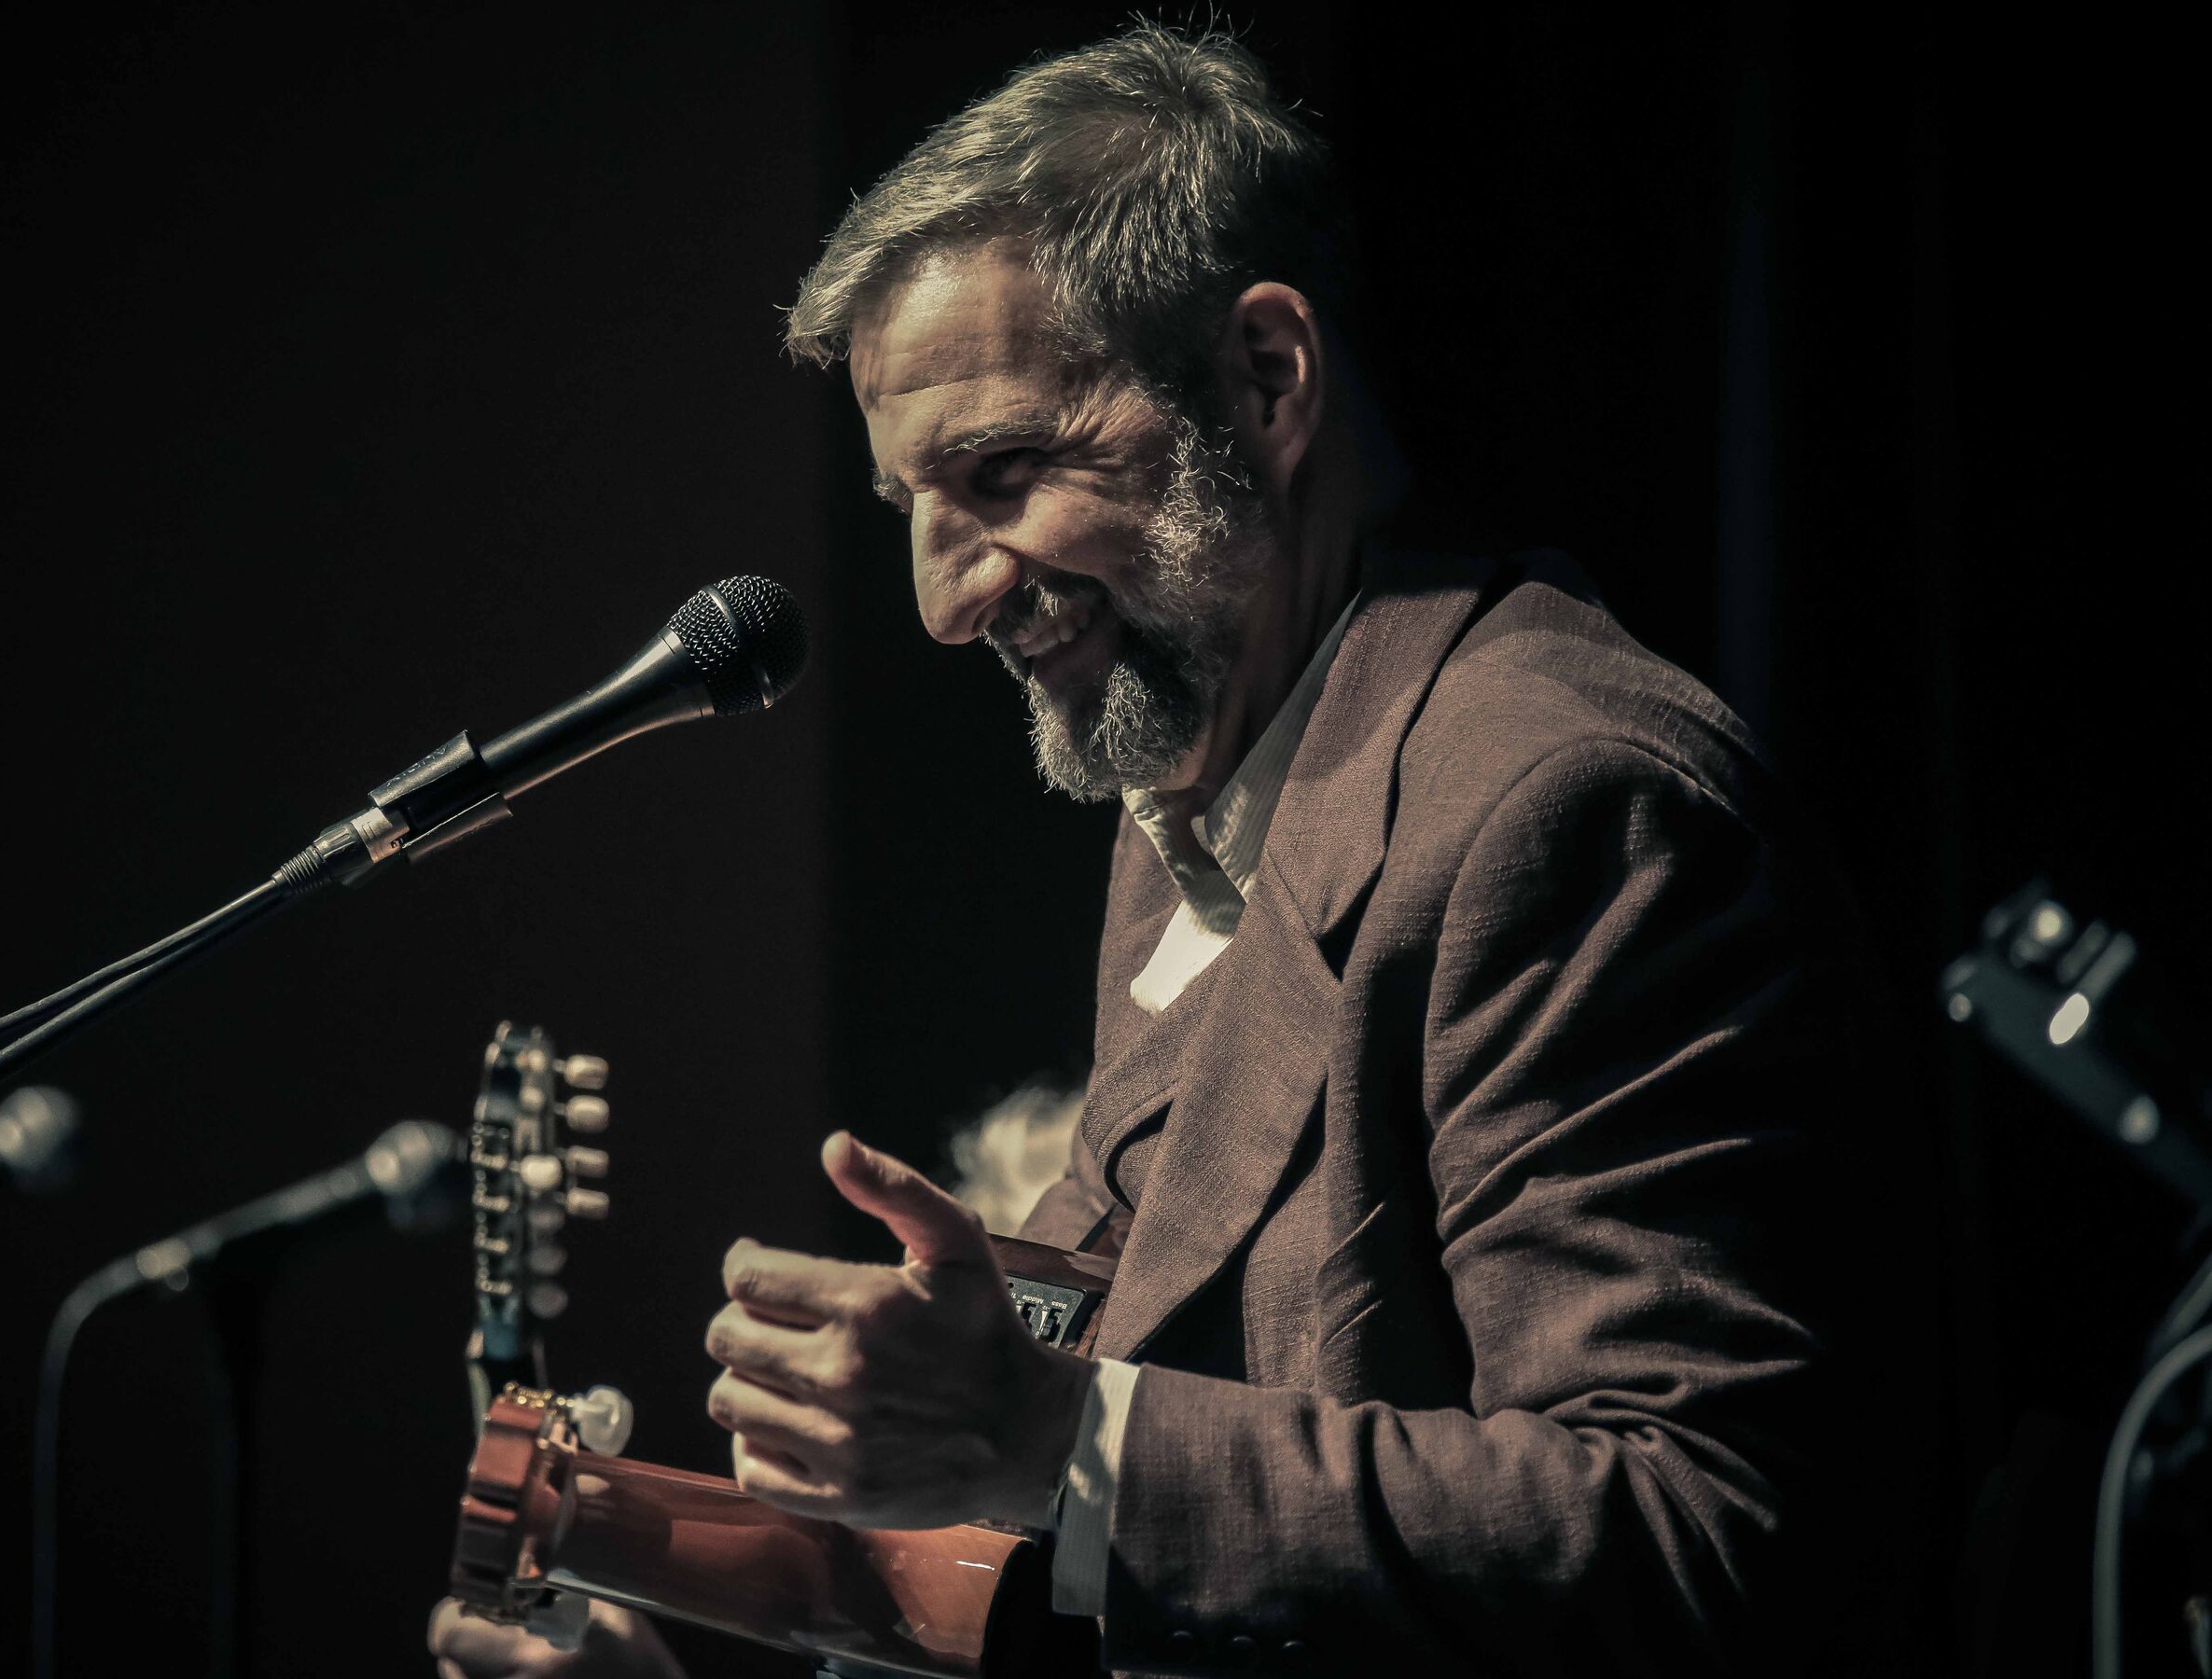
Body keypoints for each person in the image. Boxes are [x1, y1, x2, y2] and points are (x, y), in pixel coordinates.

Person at [434, 23, 1915, 1677]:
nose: (942, 602)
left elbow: (1699, 1530)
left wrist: (1045, 1432)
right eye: (909, 506)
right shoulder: (1205, 790)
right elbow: (1082, 1567)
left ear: (1267, 377)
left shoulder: (1566, 804)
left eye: (1002, 472)